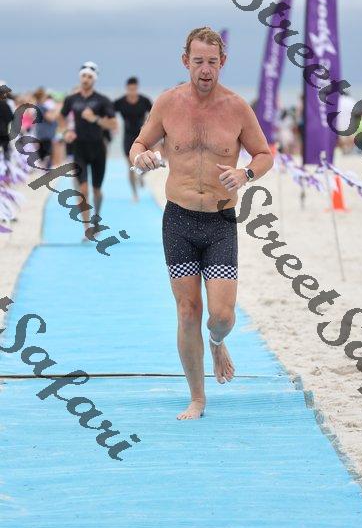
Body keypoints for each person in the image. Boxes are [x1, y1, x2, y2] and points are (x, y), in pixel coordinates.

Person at [129, 27, 273, 420]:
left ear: (222, 62)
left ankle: (217, 341)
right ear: (185, 61)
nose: (205, 69)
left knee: (222, 316)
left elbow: (264, 154)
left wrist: (245, 174)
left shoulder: (237, 108)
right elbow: (139, 144)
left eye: (212, 61)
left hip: (220, 223)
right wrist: (140, 157)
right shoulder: (168, 103)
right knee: (187, 310)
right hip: (178, 220)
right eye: (198, 61)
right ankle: (197, 397)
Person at [59, 62, 117, 237]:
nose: (86, 79)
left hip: (98, 149)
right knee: (83, 189)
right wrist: (66, 132)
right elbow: (61, 118)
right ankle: (86, 227)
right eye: (84, 76)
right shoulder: (71, 99)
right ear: (80, 77)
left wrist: (95, 119)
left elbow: (113, 124)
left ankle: (96, 218)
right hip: (79, 148)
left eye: (90, 77)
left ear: (94, 79)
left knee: (97, 190)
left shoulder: (102, 100)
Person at [114, 77, 152, 201]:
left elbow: (154, 115)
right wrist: (114, 125)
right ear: (127, 89)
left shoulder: (144, 101)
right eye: (130, 89)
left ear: (137, 88)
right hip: (128, 137)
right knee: (130, 166)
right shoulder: (120, 102)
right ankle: (134, 194)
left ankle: (141, 176)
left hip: (142, 136)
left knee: (146, 164)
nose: (132, 92)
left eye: (134, 89)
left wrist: (148, 124)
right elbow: (109, 113)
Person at [33, 87, 58, 167]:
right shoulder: (42, 107)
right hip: (45, 134)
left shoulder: (37, 106)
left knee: (42, 153)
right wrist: (56, 111)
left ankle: (44, 167)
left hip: (41, 133)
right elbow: (50, 118)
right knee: (46, 153)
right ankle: (46, 168)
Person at [0, 85, 13, 160]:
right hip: (3, 132)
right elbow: (10, 117)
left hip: (3, 132)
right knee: (5, 154)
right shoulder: (5, 104)